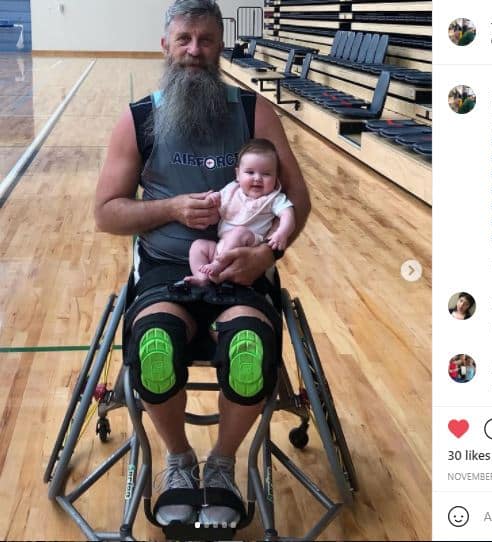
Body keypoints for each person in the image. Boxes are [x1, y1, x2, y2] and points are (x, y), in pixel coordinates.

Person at [94, 0, 310, 527]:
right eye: (184, 39)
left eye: (206, 40)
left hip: (244, 265)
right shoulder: (139, 118)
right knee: (156, 345)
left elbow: (298, 201)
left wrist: (267, 253)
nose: (194, 50)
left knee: (250, 348)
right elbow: (106, 213)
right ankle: (178, 460)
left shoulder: (252, 112)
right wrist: (169, 208)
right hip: (169, 267)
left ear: (220, 48)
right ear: (165, 45)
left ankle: (221, 466)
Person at [186, 138, 295, 286]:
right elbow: (217, 213)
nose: (257, 178)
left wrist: (282, 232)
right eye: (250, 172)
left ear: (276, 177)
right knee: (198, 246)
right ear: (238, 174)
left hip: (250, 246)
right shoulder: (232, 191)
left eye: (266, 174)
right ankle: (202, 278)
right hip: (222, 245)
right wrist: (213, 200)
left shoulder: (273, 198)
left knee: (239, 232)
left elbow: (288, 214)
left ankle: (218, 269)